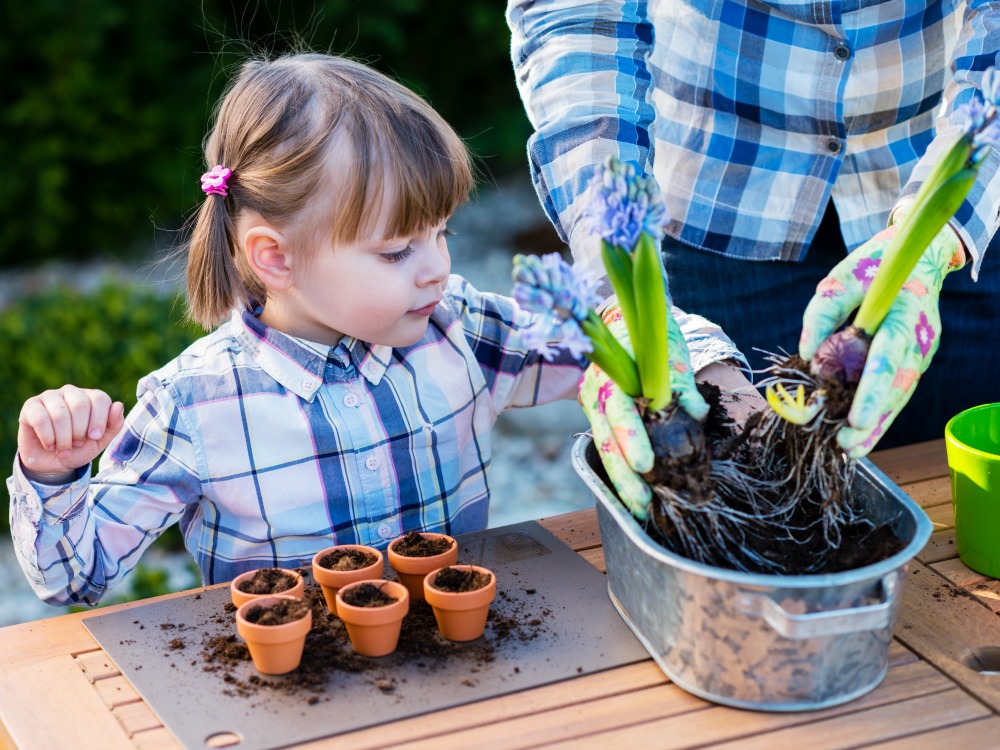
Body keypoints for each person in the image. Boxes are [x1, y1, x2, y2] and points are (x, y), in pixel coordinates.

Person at [8, 53, 746, 607]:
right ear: (276, 256)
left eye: (443, 233)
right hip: (289, 696)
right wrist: (52, 473)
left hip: (463, 662)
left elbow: (620, 345)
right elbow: (73, 579)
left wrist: (706, 366)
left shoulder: (461, 331)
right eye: (397, 250)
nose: (436, 269)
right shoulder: (193, 408)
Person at [507, 0, 1000, 455]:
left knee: (948, 469)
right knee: (741, 464)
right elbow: (576, 18)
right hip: (720, 187)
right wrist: (615, 289)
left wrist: (937, 240)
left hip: (949, 174)